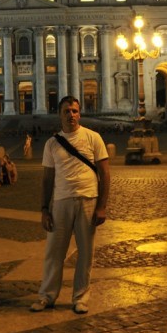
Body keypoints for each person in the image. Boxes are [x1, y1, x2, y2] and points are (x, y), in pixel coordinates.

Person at [30, 95, 110, 315]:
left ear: (80, 113)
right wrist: (44, 209)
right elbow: (47, 178)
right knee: (54, 252)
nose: (71, 115)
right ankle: (47, 296)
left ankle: (81, 298)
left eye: (74, 111)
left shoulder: (93, 138)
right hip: (61, 202)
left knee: (86, 253)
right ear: (60, 115)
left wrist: (102, 206)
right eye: (67, 111)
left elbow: (105, 173)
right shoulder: (51, 143)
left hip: (88, 199)